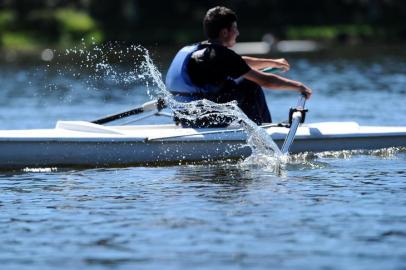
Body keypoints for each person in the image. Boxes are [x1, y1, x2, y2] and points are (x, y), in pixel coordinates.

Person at [165, 6, 312, 127]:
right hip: (204, 120)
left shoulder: (198, 52)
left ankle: (255, 127)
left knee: (235, 82)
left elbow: (239, 62)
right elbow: (265, 80)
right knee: (250, 82)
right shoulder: (221, 56)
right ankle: (264, 131)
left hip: (184, 117)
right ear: (224, 32)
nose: (238, 33)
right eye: (234, 28)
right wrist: (299, 86)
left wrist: (272, 63)